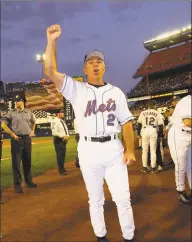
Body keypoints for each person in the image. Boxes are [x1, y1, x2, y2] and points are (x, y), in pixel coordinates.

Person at [44, 24, 136, 242]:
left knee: (123, 198)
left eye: (99, 61)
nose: (95, 64)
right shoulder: (76, 89)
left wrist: (130, 149)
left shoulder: (116, 92)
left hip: (114, 149)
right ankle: (101, 237)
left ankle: (129, 237)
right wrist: (52, 41)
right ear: (84, 70)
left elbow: (127, 122)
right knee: (96, 199)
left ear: (104, 67)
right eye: (90, 62)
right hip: (88, 149)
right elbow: (49, 71)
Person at [1, 95, 37, 193]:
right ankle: (17, 186)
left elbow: (34, 122)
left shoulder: (29, 112)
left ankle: (29, 182)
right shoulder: (11, 113)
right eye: (15, 101)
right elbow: (3, 125)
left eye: (18, 101)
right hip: (17, 140)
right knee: (16, 164)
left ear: (23, 102)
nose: (16, 102)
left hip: (27, 139)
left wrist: (32, 131)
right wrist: (12, 134)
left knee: (27, 162)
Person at [168, 94, 192, 204]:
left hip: (189, 134)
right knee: (181, 165)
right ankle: (180, 191)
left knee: (190, 165)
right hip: (178, 135)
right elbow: (187, 122)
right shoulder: (186, 101)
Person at [137, 100, 164, 173]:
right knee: (153, 150)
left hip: (145, 130)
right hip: (153, 130)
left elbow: (139, 124)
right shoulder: (157, 113)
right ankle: (153, 167)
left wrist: (138, 133)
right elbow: (161, 125)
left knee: (145, 150)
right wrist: (161, 135)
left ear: (148, 106)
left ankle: (145, 167)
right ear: (154, 105)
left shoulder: (143, 113)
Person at [50, 110, 69, 175]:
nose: (63, 113)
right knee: (60, 155)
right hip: (58, 139)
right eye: (62, 112)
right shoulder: (54, 121)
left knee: (63, 155)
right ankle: (61, 171)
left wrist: (67, 136)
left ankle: (62, 168)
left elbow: (65, 129)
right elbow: (54, 132)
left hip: (64, 139)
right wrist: (62, 136)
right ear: (58, 113)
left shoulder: (62, 121)